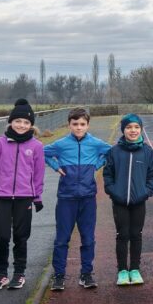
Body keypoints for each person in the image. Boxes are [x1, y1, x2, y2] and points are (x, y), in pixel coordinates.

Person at [44, 107, 111, 291]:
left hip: (88, 198)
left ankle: (86, 273)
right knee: (62, 239)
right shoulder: (61, 144)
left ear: (88, 125)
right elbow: (43, 152)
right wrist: (56, 166)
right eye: (75, 124)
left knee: (88, 238)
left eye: (82, 124)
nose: (79, 127)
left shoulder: (96, 143)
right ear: (69, 124)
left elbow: (111, 152)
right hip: (66, 198)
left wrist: (97, 164)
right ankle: (58, 276)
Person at [0, 99, 46, 291]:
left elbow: (38, 173)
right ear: (10, 121)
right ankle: (1, 274)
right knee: (1, 236)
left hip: (24, 197)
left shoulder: (36, 146)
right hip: (2, 197)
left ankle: (19, 273)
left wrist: (37, 197)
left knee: (21, 236)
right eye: (18, 121)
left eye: (26, 122)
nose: (22, 125)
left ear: (31, 125)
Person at [104, 113, 153, 286]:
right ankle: (122, 271)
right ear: (123, 130)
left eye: (136, 127)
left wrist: (147, 191)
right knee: (122, 235)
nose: (133, 130)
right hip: (119, 201)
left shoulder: (147, 152)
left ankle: (135, 269)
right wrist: (113, 192)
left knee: (136, 235)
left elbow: (152, 174)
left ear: (141, 129)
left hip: (139, 201)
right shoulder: (114, 151)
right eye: (129, 127)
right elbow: (108, 175)